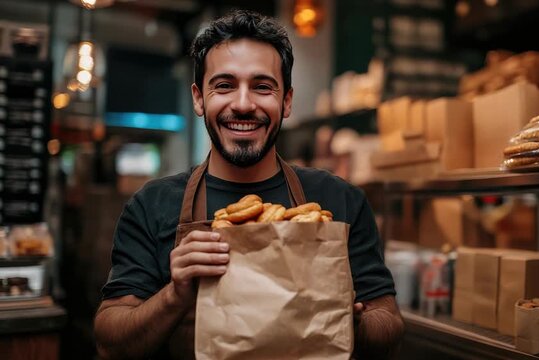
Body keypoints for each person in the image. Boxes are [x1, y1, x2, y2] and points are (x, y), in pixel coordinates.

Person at [94, 9, 404, 360]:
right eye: (224, 86)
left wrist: (349, 319)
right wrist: (174, 294)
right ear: (199, 98)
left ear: (286, 101)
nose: (243, 104)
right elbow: (109, 341)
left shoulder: (339, 200)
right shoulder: (151, 205)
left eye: (262, 87)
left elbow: (389, 324)